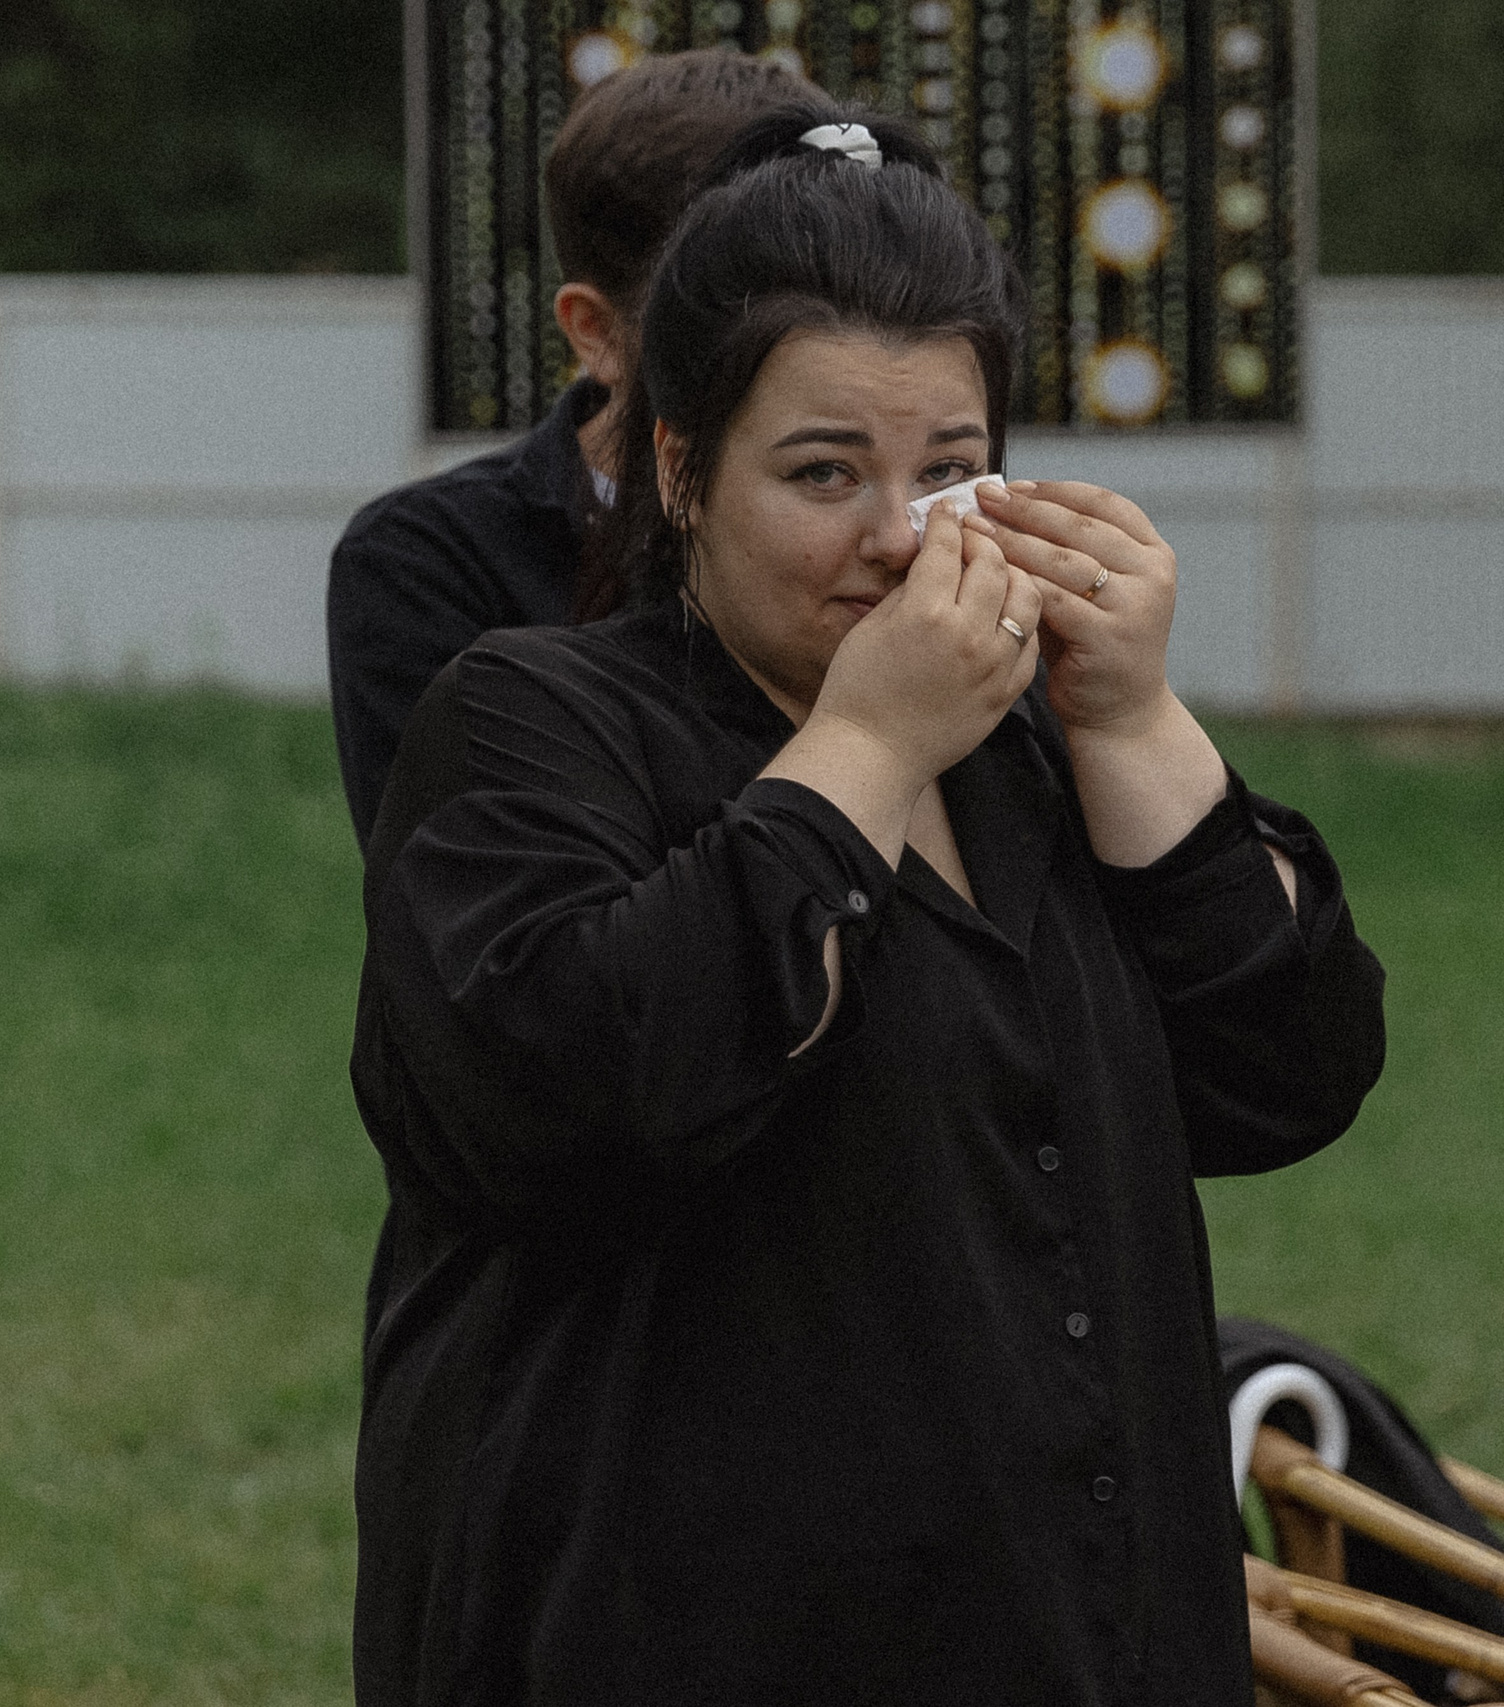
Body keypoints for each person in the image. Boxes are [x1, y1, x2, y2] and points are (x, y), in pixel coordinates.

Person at [348, 105, 1387, 1705]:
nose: (898, 539)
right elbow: (578, 1091)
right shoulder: (530, 719)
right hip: (680, 1626)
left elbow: (1287, 1069)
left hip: (1071, 1620)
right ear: (681, 469)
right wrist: (868, 741)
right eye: (824, 471)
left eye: (952, 472)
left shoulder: (1026, 749)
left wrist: (1129, 720)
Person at [326, 48, 818, 848]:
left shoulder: (920, 532)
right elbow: (486, 919)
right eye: (742, 310)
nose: (817, 341)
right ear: (597, 331)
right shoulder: (431, 564)